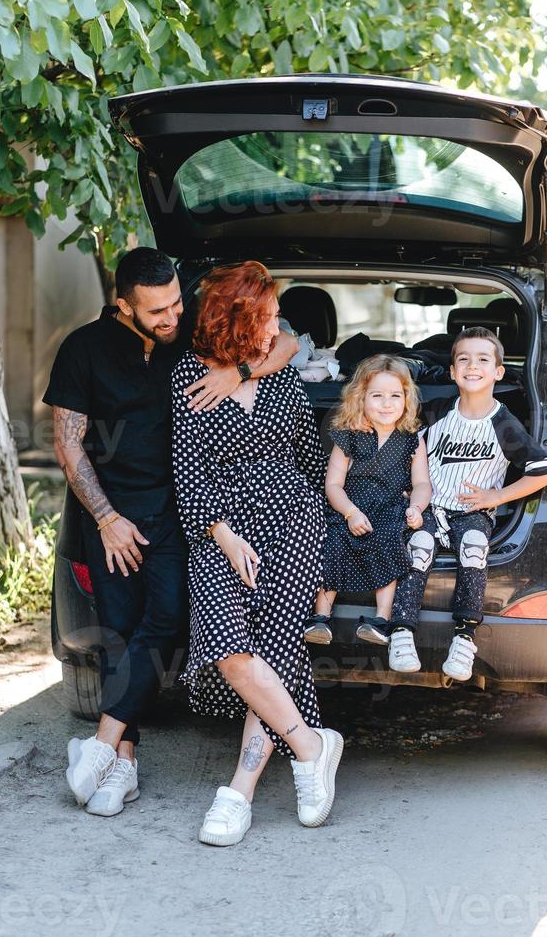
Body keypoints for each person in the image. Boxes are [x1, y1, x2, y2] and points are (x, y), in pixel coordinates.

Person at [43, 247, 299, 817]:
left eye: (177, 301)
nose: (172, 316)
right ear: (123, 305)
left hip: (179, 504)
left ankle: (101, 744)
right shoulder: (81, 350)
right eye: (157, 310)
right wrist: (107, 519)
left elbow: (287, 342)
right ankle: (123, 763)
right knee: (117, 631)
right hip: (110, 512)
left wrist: (238, 371)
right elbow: (68, 443)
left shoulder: (183, 335)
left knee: (165, 616)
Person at [171, 261, 343, 847]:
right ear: (235, 319)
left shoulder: (277, 374)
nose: (276, 327)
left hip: (292, 519)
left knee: (276, 649)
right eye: (267, 316)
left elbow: (305, 453)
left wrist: (339, 513)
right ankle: (311, 746)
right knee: (226, 647)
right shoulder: (187, 380)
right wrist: (224, 534)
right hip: (219, 525)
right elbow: (188, 471)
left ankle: (239, 792)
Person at [388, 326, 547, 680]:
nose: (471, 365)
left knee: (475, 547)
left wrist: (496, 496)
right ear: (451, 372)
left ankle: (464, 640)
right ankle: (401, 633)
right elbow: (403, 447)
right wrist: (406, 489)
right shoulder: (436, 411)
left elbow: (543, 472)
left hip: (472, 512)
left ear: (498, 371)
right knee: (418, 546)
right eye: (463, 359)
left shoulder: (504, 423)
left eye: (482, 359)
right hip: (432, 507)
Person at [303, 355, 432, 649]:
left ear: (406, 399)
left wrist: (417, 507)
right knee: (332, 542)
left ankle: (382, 619)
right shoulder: (348, 437)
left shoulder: (412, 439)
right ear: (360, 398)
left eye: (395, 396)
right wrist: (349, 512)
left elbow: (422, 484)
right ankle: (321, 617)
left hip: (389, 509)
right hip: (350, 507)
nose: (387, 404)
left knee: (389, 541)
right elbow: (333, 485)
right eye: (377, 396)